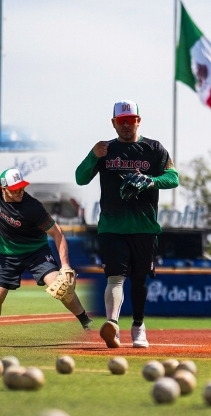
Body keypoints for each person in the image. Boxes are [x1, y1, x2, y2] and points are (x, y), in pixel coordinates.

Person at [75, 100, 179, 349]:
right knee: (115, 278)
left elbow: (173, 178)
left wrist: (149, 181)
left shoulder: (154, 148)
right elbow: (80, 178)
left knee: (139, 281)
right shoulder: (104, 149)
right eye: (121, 121)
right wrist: (93, 155)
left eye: (130, 120)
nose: (126, 125)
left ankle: (138, 327)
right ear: (113, 123)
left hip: (144, 227)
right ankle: (112, 325)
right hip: (112, 227)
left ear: (138, 121)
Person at [0, 162, 92, 348]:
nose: (20, 191)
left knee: (62, 289)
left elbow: (57, 233)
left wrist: (65, 265)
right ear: (3, 188)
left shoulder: (32, 207)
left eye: (22, 187)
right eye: (15, 189)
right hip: (7, 255)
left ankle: (87, 323)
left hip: (36, 252)